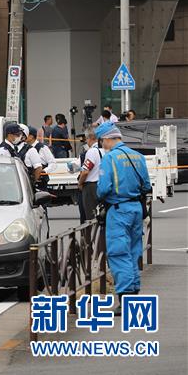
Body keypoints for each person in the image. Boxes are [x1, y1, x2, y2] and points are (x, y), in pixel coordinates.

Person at [96, 121, 151, 315]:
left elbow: (103, 189)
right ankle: (133, 292)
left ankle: (126, 296)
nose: (101, 145)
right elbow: (146, 185)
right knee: (134, 251)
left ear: (107, 138)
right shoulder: (138, 157)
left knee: (119, 252)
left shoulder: (110, 158)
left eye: (101, 141)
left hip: (118, 210)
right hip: (136, 207)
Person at [78, 129, 103, 222]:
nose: (86, 141)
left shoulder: (92, 151)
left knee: (91, 216)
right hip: (102, 184)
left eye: (86, 139)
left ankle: (91, 235)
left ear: (90, 138)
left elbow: (85, 171)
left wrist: (80, 183)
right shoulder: (103, 150)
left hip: (91, 187)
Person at [20, 125, 47, 190]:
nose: (22, 136)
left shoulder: (41, 147)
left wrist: (44, 171)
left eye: (24, 134)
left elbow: (39, 167)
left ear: (31, 136)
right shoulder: (19, 148)